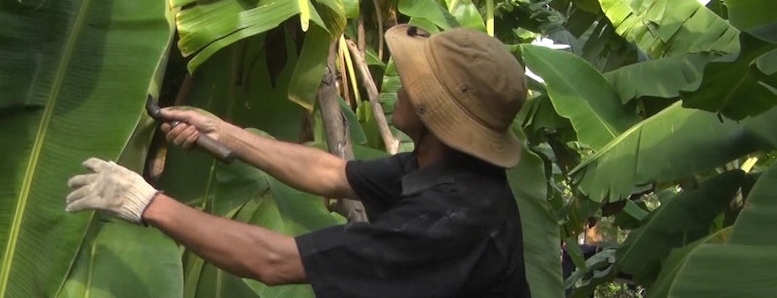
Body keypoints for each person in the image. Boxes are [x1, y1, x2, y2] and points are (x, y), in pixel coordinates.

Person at [66, 25, 531, 297]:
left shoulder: (448, 222)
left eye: (414, 83)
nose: (402, 83)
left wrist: (146, 201)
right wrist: (224, 131)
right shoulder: (444, 170)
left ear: (435, 112)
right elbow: (332, 173)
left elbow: (276, 260)